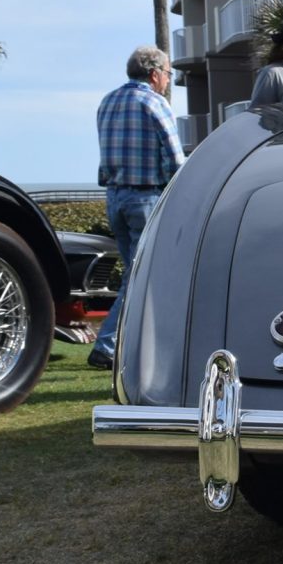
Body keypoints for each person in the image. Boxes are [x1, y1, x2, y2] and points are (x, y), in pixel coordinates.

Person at [89, 46, 186, 370]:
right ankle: (108, 345)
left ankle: (132, 345)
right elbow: (174, 158)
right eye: (169, 74)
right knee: (144, 275)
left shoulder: (108, 101)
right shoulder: (154, 103)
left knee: (134, 273)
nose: (169, 80)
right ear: (155, 73)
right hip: (146, 198)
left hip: (115, 196)